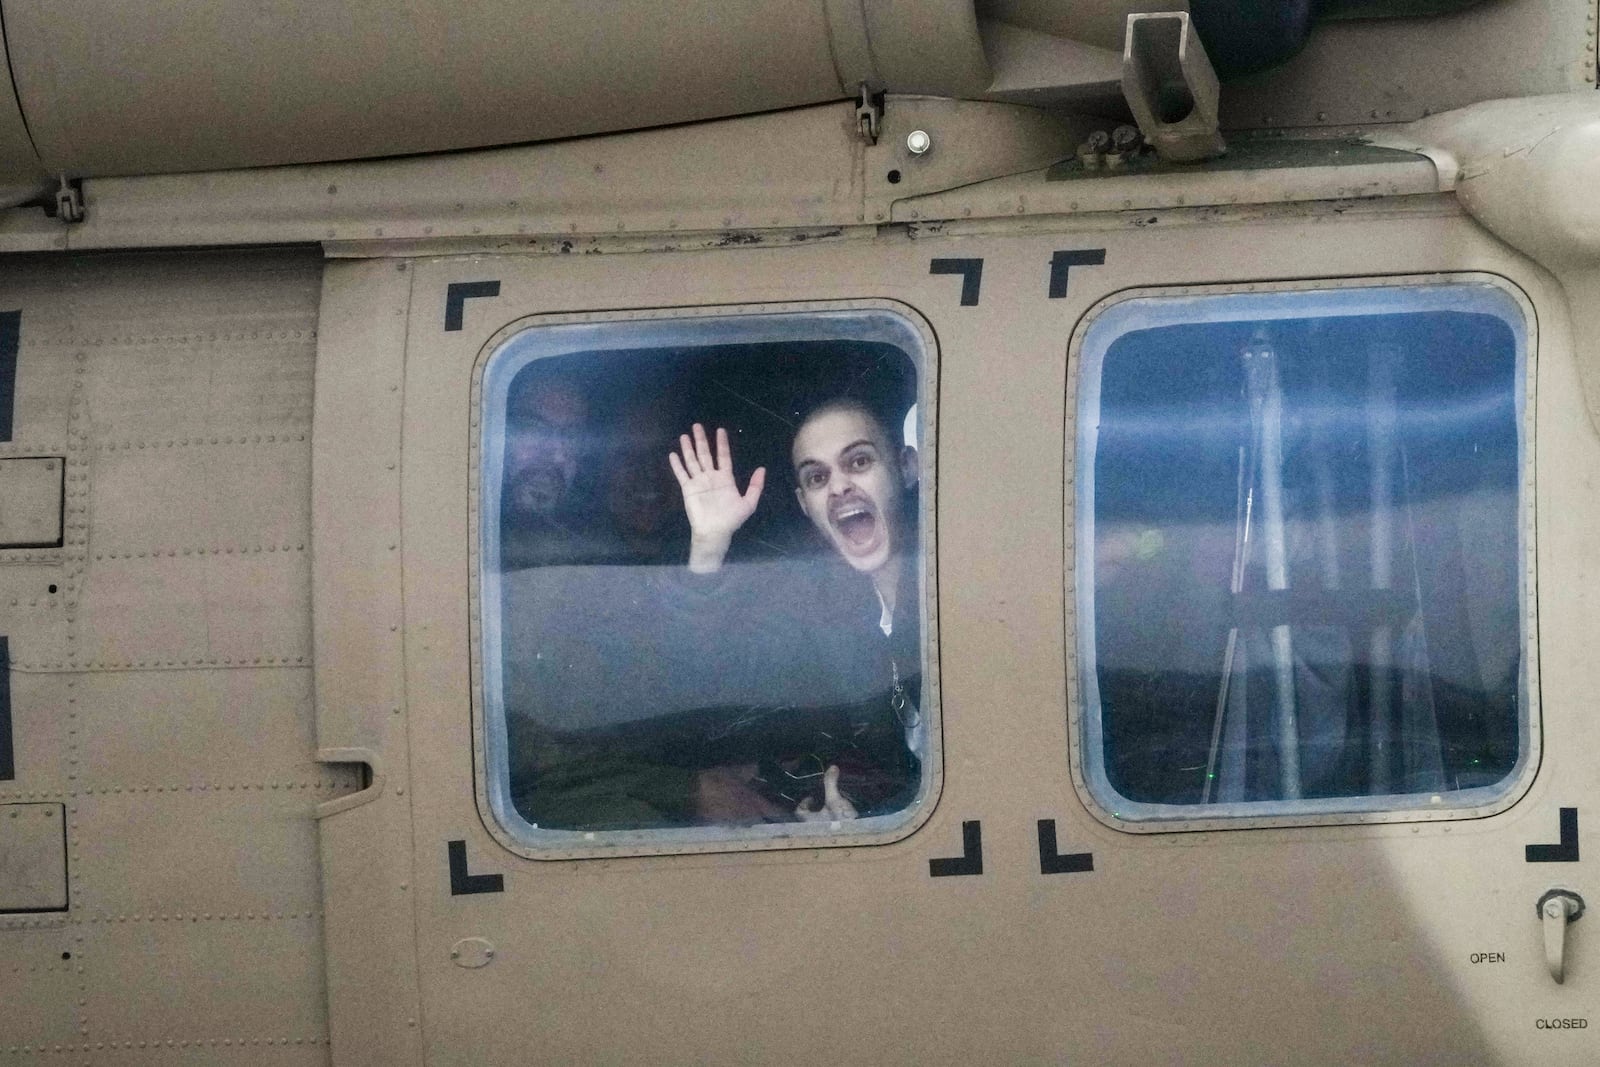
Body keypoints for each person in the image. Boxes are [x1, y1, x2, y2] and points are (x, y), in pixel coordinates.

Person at [667, 398, 923, 822]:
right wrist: (709, 547)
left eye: (859, 462)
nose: (839, 487)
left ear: (906, 468)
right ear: (806, 504)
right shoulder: (831, 613)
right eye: (818, 477)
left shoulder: (956, 580)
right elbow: (703, 683)